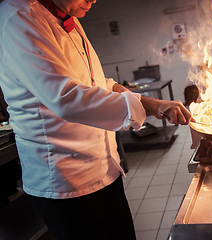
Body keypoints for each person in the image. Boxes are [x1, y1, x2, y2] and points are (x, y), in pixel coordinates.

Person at [0, 0, 193, 239]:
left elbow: (98, 83)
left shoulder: (68, 17)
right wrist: (148, 106)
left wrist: (155, 105)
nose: (93, 0)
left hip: (104, 168)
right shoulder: (19, 17)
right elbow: (67, 98)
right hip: (66, 181)